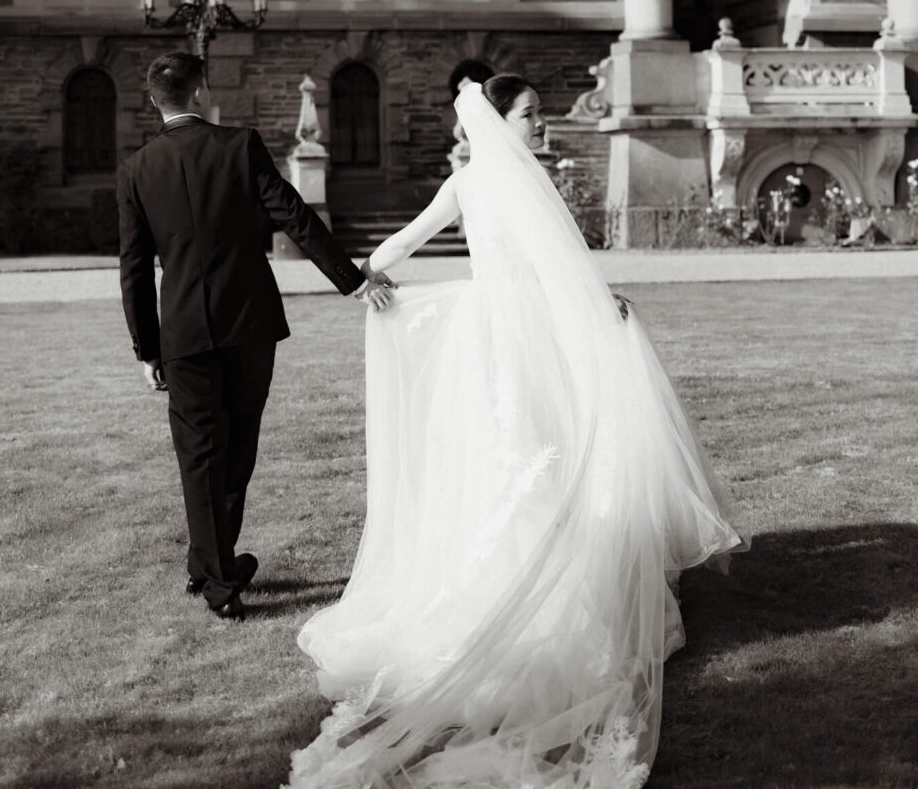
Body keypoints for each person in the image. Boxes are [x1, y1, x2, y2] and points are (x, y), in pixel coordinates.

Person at [287, 74, 747, 788]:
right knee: (538, 460)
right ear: (500, 119)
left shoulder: (469, 183)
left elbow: (400, 245)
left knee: (519, 464)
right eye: (532, 115)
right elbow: (555, 268)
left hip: (502, 339)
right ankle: (551, 606)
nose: (543, 125)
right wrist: (600, 305)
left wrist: (363, 277)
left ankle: (530, 586)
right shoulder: (515, 181)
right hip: (525, 342)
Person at [117, 51, 395, 622]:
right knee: (237, 447)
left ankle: (209, 565)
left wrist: (147, 348)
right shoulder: (239, 146)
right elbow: (295, 216)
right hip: (248, 323)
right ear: (201, 93)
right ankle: (220, 580)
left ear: (154, 100)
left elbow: (134, 268)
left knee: (200, 456)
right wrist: (352, 280)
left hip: (185, 332)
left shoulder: (137, 169)